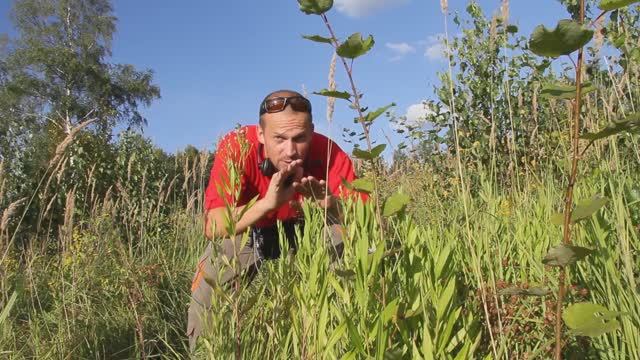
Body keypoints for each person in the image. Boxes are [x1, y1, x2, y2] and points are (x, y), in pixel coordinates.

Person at [186, 89, 365, 350]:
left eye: (300, 138)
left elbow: (371, 224)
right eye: (279, 139)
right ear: (260, 134)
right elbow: (214, 225)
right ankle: (205, 352)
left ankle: (344, 340)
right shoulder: (238, 146)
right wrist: (269, 203)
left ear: (312, 131)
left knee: (345, 236)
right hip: (251, 230)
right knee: (210, 283)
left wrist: (331, 205)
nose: (290, 150)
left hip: (306, 232)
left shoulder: (330, 153)